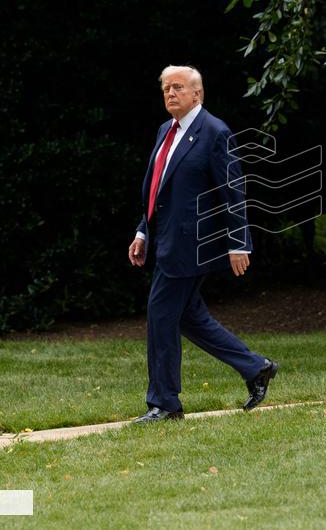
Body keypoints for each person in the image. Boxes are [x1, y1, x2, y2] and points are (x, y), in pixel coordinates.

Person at [127, 65, 277, 423]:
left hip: (191, 246)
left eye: (178, 87)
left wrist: (239, 242)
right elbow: (157, 190)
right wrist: (143, 232)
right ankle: (256, 368)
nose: (170, 93)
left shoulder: (214, 132)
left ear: (198, 94)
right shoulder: (166, 130)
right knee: (189, 317)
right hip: (166, 241)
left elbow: (233, 191)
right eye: (166, 88)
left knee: (161, 317)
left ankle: (165, 404)